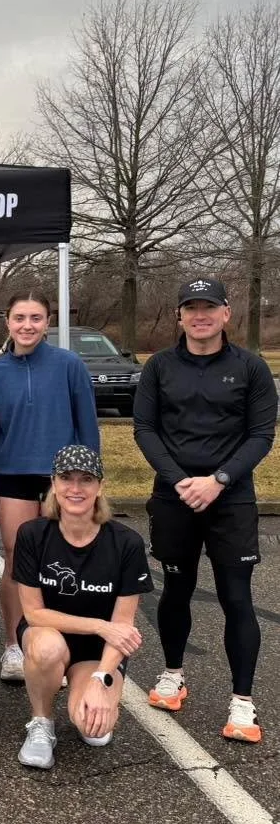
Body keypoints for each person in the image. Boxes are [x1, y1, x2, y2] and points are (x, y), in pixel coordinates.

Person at [134, 276, 277, 743]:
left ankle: (242, 704)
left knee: (237, 596)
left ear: (226, 313)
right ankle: (173, 675)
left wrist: (218, 480)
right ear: (179, 315)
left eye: (209, 307)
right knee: (176, 589)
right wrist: (180, 481)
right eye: (191, 307)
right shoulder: (158, 367)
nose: (201, 315)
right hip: (174, 496)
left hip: (230, 498)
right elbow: (145, 429)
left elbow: (261, 436)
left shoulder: (251, 368)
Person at [0, 290, 99, 684]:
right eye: (19, 318)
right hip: (13, 476)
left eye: (35, 318)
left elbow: (88, 427)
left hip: (60, 479)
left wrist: (89, 481)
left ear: (47, 322)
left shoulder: (69, 365)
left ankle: (58, 644)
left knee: (59, 562)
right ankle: (15, 647)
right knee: (16, 560)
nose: (27, 325)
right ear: (8, 322)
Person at [13, 445, 151, 769]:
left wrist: (103, 676)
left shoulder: (126, 543)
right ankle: (41, 723)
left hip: (97, 651)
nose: (75, 488)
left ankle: (84, 687)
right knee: (47, 647)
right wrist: (100, 625)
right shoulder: (33, 534)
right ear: (53, 483)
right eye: (66, 478)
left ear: (100, 486)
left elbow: (123, 627)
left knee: (94, 728)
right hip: (47, 634)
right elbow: (34, 613)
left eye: (86, 479)